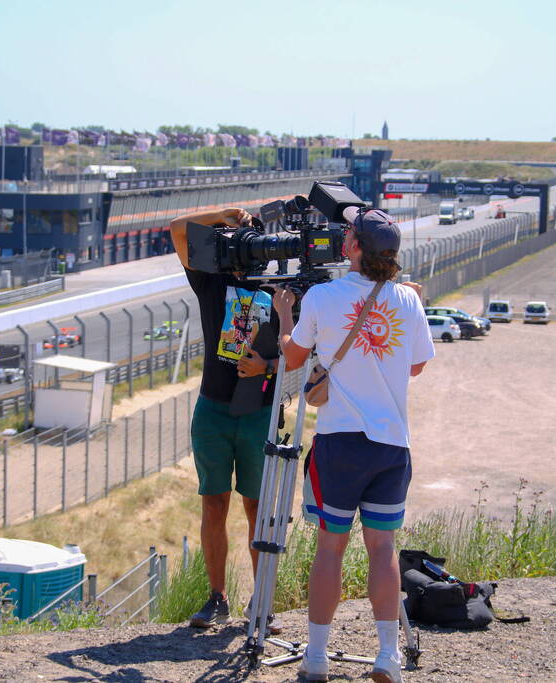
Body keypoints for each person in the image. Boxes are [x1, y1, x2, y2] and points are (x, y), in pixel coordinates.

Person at [272, 207, 434, 683]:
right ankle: (387, 656)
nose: (342, 239)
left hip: (339, 443)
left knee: (330, 549)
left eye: (348, 235)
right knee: (383, 549)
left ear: (356, 248)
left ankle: (317, 657)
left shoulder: (323, 297)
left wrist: (285, 317)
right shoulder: (408, 300)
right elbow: (416, 365)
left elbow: (293, 357)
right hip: (391, 444)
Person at [169, 207, 283, 632]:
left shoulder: (281, 290)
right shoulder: (211, 282)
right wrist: (220, 216)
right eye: (233, 241)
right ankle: (217, 597)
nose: (240, 250)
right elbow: (177, 230)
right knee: (213, 504)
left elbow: (301, 352)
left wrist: (267, 367)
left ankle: (261, 600)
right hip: (213, 409)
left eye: (248, 241)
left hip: (258, 411)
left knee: (257, 508)